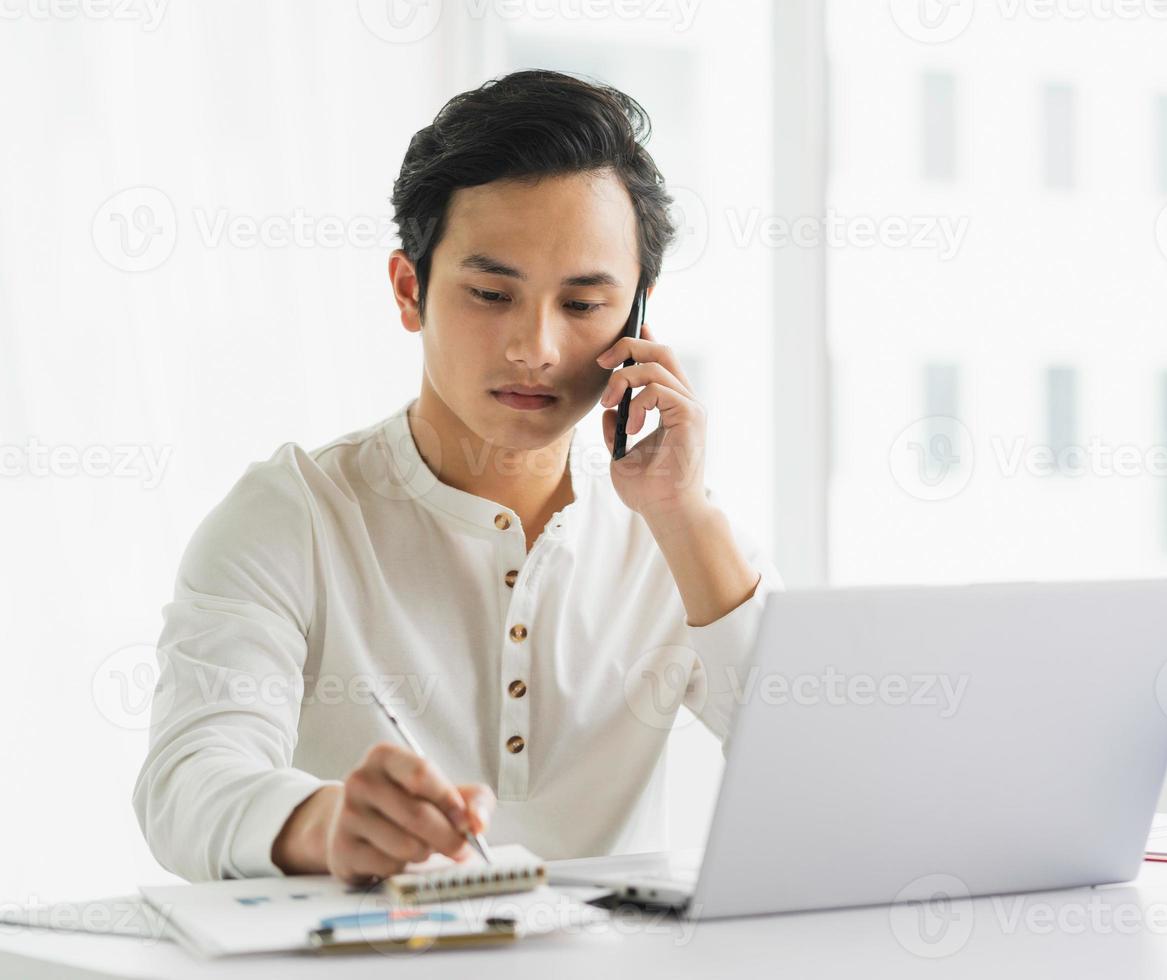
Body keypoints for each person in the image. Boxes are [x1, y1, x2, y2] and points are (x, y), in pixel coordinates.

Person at [132, 70, 780, 884]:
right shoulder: (291, 517)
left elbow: (826, 778)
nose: (534, 347)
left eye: (582, 306)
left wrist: (683, 518)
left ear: (637, 317)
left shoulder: (676, 530)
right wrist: (321, 821)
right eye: (490, 292)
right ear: (411, 290)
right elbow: (187, 781)